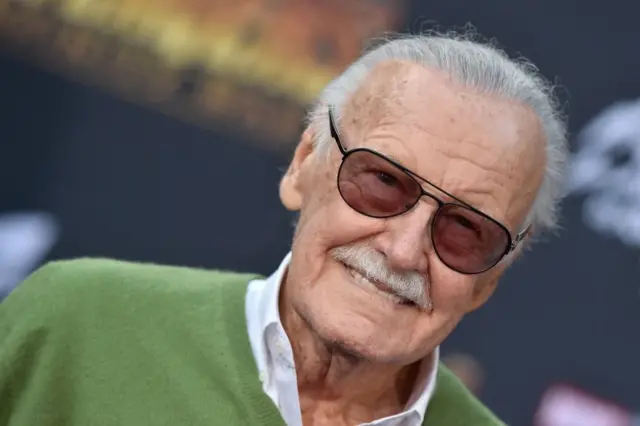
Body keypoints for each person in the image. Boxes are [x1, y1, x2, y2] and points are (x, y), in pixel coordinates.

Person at [0, 32, 569, 426]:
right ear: (303, 165)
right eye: (382, 182)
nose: (402, 251)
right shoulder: (74, 321)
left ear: (491, 279)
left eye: (465, 230)